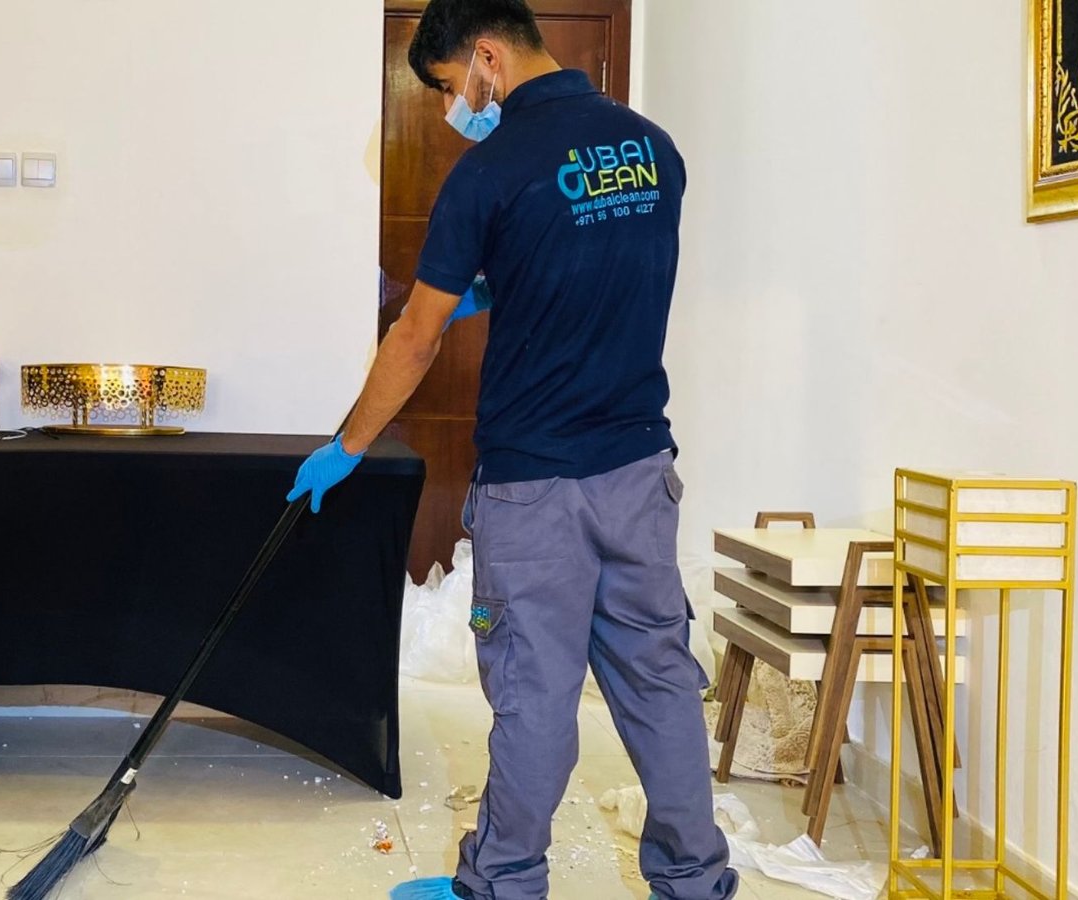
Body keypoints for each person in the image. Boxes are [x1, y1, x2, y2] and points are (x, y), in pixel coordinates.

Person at [285, 1, 739, 898]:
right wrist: (501, 281)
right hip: (640, 468)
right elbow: (606, 260)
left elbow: (414, 339)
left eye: (455, 86)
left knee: (534, 693)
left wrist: (346, 445)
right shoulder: (654, 147)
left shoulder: (488, 176)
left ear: (487, 56)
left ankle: (500, 883)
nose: (460, 106)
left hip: (535, 486)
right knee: (658, 681)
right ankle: (694, 881)